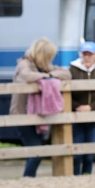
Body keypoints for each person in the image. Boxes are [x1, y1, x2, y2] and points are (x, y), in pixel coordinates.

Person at [10, 38, 71, 177]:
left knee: (35, 151)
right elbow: (27, 76)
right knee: (36, 152)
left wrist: (49, 75)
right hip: (22, 115)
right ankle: (27, 179)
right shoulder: (24, 64)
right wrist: (46, 77)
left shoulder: (43, 66)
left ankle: (28, 178)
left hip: (38, 114)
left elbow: (67, 74)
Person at [70, 41, 95, 175]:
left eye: (90, 54)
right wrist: (78, 107)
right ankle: (75, 176)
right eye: (84, 54)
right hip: (77, 117)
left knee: (89, 154)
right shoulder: (72, 71)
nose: (87, 57)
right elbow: (67, 96)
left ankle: (87, 176)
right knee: (76, 154)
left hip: (94, 118)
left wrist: (90, 107)